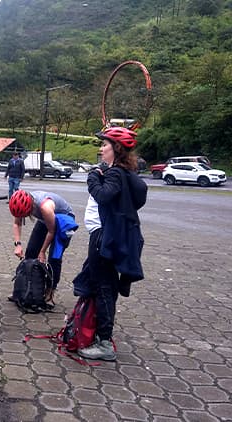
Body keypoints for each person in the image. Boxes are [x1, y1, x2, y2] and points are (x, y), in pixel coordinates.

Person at [73, 126, 147, 361]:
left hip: (104, 238)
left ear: (115, 148)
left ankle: (104, 342)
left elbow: (103, 195)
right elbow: (139, 196)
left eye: (104, 145)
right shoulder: (126, 174)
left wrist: (93, 176)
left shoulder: (114, 174)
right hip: (117, 237)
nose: (101, 148)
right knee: (103, 285)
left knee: (104, 287)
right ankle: (90, 325)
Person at [9, 189, 77, 301]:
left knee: (54, 258)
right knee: (31, 252)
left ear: (30, 207)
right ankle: (24, 288)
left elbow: (51, 231)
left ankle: (50, 291)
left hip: (64, 220)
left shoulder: (44, 207)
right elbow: (17, 223)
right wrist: (18, 244)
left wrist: (42, 251)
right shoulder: (20, 204)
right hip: (46, 220)